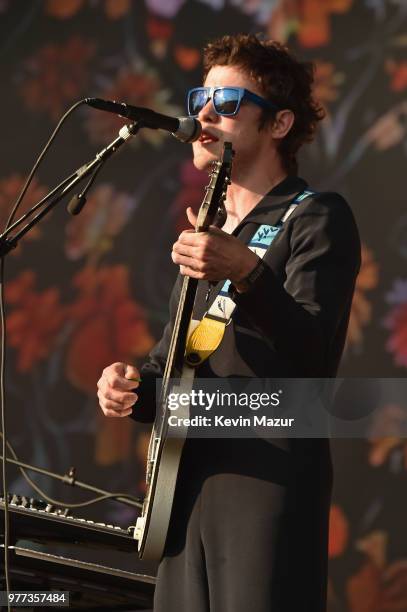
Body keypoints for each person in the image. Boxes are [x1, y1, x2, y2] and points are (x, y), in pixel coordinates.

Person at [97, 34, 361, 612]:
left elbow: (313, 355)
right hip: (184, 484)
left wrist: (247, 272)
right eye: (201, 98)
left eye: (230, 102)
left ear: (280, 123)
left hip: (265, 478)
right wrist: (131, 388)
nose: (204, 115)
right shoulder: (213, 233)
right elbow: (179, 358)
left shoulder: (315, 215)